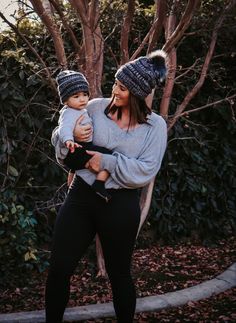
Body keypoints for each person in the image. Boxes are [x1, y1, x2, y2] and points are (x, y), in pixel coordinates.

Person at [46, 50, 168, 323]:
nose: (114, 91)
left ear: (137, 93)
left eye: (122, 88)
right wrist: (70, 137)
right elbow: (61, 143)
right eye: (115, 82)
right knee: (59, 269)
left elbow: (144, 171)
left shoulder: (154, 127)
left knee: (120, 274)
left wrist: (104, 161)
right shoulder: (93, 108)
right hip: (81, 197)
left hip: (120, 205)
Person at [53, 69, 111, 201]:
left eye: (85, 94)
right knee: (108, 157)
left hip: (79, 149)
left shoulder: (80, 110)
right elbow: (64, 127)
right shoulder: (69, 113)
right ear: (66, 101)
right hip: (76, 149)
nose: (82, 99)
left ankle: (70, 190)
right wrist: (68, 139)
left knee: (74, 169)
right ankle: (99, 184)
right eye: (76, 96)